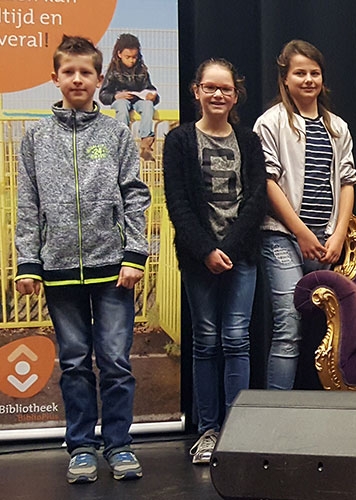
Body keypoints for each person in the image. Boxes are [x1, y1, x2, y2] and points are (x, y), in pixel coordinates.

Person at [15, 35, 150, 483]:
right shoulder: (36, 136)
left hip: (113, 269)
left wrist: (134, 254)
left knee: (115, 360)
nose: (77, 79)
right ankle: (81, 447)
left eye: (85, 72)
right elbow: (28, 204)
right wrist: (28, 261)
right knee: (73, 362)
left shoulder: (115, 134)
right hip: (57, 270)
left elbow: (135, 196)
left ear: (99, 79)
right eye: (68, 72)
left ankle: (120, 444)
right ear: (55, 78)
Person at [162, 59, 267, 464]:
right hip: (197, 258)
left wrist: (232, 248)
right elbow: (178, 203)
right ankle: (208, 431)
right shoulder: (180, 140)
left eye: (225, 89)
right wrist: (206, 250)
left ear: (235, 94)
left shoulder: (249, 140)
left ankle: (235, 431)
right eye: (210, 87)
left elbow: (257, 198)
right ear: (196, 91)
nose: (218, 95)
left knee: (237, 340)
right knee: (205, 342)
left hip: (241, 256)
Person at [254, 39, 356, 390]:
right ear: (285, 79)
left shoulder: (337, 126)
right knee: (288, 325)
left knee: (331, 327)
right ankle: (275, 417)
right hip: (283, 236)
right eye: (300, 73)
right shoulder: (271, 122)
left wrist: (338, 234)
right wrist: (300, 232)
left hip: (325, 239)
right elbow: (267, 182)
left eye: (315, 73)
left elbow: (347, 181)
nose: (308, 79)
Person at [99, 33, 159, 161]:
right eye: (128, 57)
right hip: (121, 100)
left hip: (139, 100)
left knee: (148, 106)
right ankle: (122, 140)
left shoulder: (142, 70)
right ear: (119, 54)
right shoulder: (113, 72)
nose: (132, 60)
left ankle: (146, 142)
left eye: (134, 57)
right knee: (122, 105)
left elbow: (151, 89)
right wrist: (116, 96)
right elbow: (103, 95)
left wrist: (152, 96)